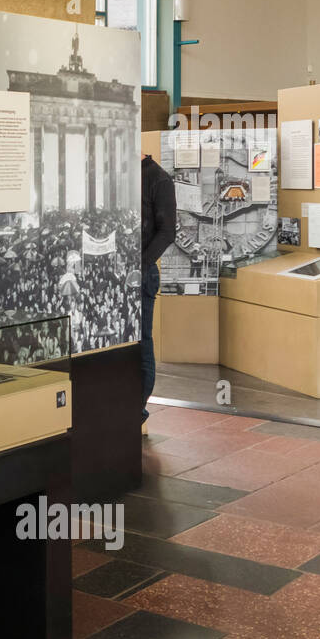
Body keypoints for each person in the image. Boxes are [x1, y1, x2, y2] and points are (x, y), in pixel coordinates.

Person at [140, 152, 177, 433]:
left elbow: (167, 231)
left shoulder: (158, 179)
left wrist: (139, 265)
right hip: (120, 273)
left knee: (142, 342)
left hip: (140, 275)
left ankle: (137, 408)